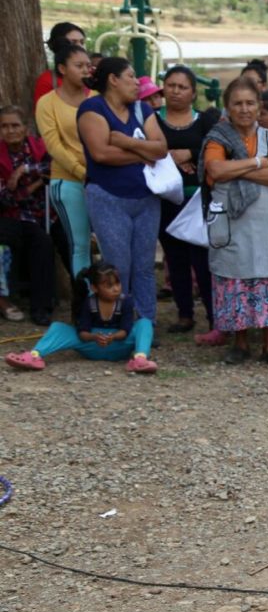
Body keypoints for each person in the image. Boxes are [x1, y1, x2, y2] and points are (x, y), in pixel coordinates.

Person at [201, 77, 268, 368]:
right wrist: (256, 163)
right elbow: (215, 169)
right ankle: (239, 344)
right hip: (232, 225)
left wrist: (236, 171)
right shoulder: (218, 138)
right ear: (227, 107)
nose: (244, 109)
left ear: (259, 106)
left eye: (250, 103)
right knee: (233, 279)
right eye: (238, 103)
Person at [77, 57, 168, 326]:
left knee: (144, 267)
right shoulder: (92, 108)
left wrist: (125, 142)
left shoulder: (142, 109)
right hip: (108, 197)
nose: (136, 82)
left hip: (146, 198)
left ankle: (146, 324)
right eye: (130, 76)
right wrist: (142, 154)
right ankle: (119, 323)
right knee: (118, 265)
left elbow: (161, 149)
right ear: (113, 80)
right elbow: (101, 153)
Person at [156, 66, 221, 340]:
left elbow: (218, 146)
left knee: (203, 261)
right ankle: (184, 314)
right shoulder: (152, 120)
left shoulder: (205, 120)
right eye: (171, 85)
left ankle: (214, 317)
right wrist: (165, 155)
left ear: (193, 92)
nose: (176, 91)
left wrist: (189, 153)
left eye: (182, 87)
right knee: (175, 259)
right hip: (165, 199)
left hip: (198, 200)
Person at [5, 261, 157, 374]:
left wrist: (113, 337)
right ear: (94, 288)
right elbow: (82, 333)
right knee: (58, 327)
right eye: (109, 285)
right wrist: (94, 336)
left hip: (119, 343)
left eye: (117, 283)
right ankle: (34, 355)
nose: (116, 288)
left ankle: (140, 359)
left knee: (144, 323)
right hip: (91, 344)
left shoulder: (126, 301)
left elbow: (125, 330)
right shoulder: (88, 303)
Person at [36, 44, 94, 279]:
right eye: (78, 66)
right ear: (62, 68)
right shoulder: (47, 103)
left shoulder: (98, 97)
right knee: (80, 244)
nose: (85, 71)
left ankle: (112, 301)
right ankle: (85, 300)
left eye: (88, 66)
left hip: (103, 179)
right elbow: (54, 145)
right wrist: (81, 172)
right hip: (69, 179)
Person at [0, 105, 55, 326]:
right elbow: (5, 198)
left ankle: (41, 308)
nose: (10, 130)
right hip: (8, 217)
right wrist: (37, 182)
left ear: (25, 128)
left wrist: (22, 170)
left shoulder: (39, 147)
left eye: (15, 125)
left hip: (38, 216)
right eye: (4, 126)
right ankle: (3, 300)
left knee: (43, 243)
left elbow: (52, 167)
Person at [33, 22, 86, 112]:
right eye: (74, 42)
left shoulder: (90, 75)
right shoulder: (47, 80)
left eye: (82, 42)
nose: (80, 46)